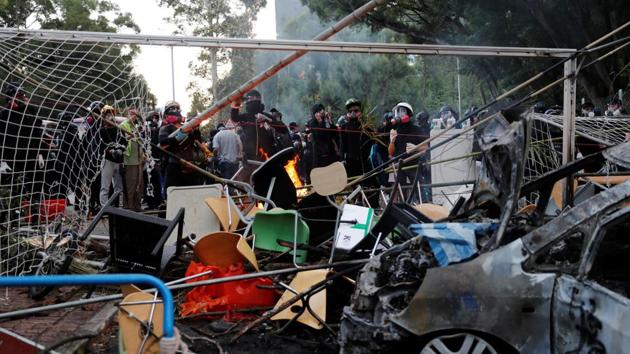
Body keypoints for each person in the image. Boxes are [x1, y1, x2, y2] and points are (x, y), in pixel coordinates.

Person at [388, 102, 430, 202]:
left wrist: (416, 148)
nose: (400, 114)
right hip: (399, 165)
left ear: (408, 114)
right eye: (398, 111)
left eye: (403, 111)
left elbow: (426, 146)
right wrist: (392, 141)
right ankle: (403, 210)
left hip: (413, 165)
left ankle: (424, 207)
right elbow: (391, 152)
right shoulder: (394, 130)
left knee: (419, 191)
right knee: (401, 193)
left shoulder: (416, 129)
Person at [159, 101, 205, 191]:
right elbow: (163, 143)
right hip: (175, 165)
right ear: (166, 115)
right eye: (172, 109)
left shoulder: (188, 127)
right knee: (174, 193)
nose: (175, 111)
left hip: (191, 165)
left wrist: (196, 130)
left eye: (177, 109)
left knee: (193, 193)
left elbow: (197, 141)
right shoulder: (166, 128)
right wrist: (179, 136)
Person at [230, 90, 275, 161]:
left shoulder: (266, 116)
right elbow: (234, 117)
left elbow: (281, 129)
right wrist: (236, 104)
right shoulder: (246, 116)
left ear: (256, 98)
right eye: (248, 98)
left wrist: (268, 120)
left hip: (266, 153)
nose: (248, 100)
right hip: (250, 155)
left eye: (250, 98)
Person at [338, 98, 373, 179]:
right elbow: (342, 144)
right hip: (351, 161)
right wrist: (342, 159)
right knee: (354, 182)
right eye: (350, 111)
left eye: (356, 110)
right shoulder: (344, 127)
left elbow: (372, 140)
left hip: (364, 160)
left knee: (367, 182)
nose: (353, 113)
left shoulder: (366, 125)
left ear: (360, 112)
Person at [99, 105, 126, 207]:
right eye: (107, 114)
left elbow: (125, 142)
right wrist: (110, 151)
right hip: (108, 161)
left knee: (119, 187)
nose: (110, 116)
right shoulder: (102, 131)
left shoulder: (119, 129)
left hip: (119, 160)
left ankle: (119, 206)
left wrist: (120, 149)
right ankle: (104, 207)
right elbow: (100, 147)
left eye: (111, 114)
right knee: (105, 186)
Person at [120, 108, 145, 211]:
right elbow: (122, 140)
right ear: (127, 115)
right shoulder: (123, 125)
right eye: (131, 114)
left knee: (140, 183)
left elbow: (141, 141)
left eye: (135, 114)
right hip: (129, 159)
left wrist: (144, 153)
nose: (134, 116)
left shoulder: (138, 125)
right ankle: (129, 206)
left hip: (139, 158)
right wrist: (133, 134)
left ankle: (137, 205)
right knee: (131, 184)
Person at [307, 103, 338, 169]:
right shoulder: (312, 123)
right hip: (320, 155)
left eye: (322, 110)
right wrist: (320, 122)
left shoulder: (326, 120)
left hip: (331, 152)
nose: (321, 112)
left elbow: (334, 134)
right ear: (315, 113)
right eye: (318, 111)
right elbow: (319, 136)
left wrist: (329, 121)